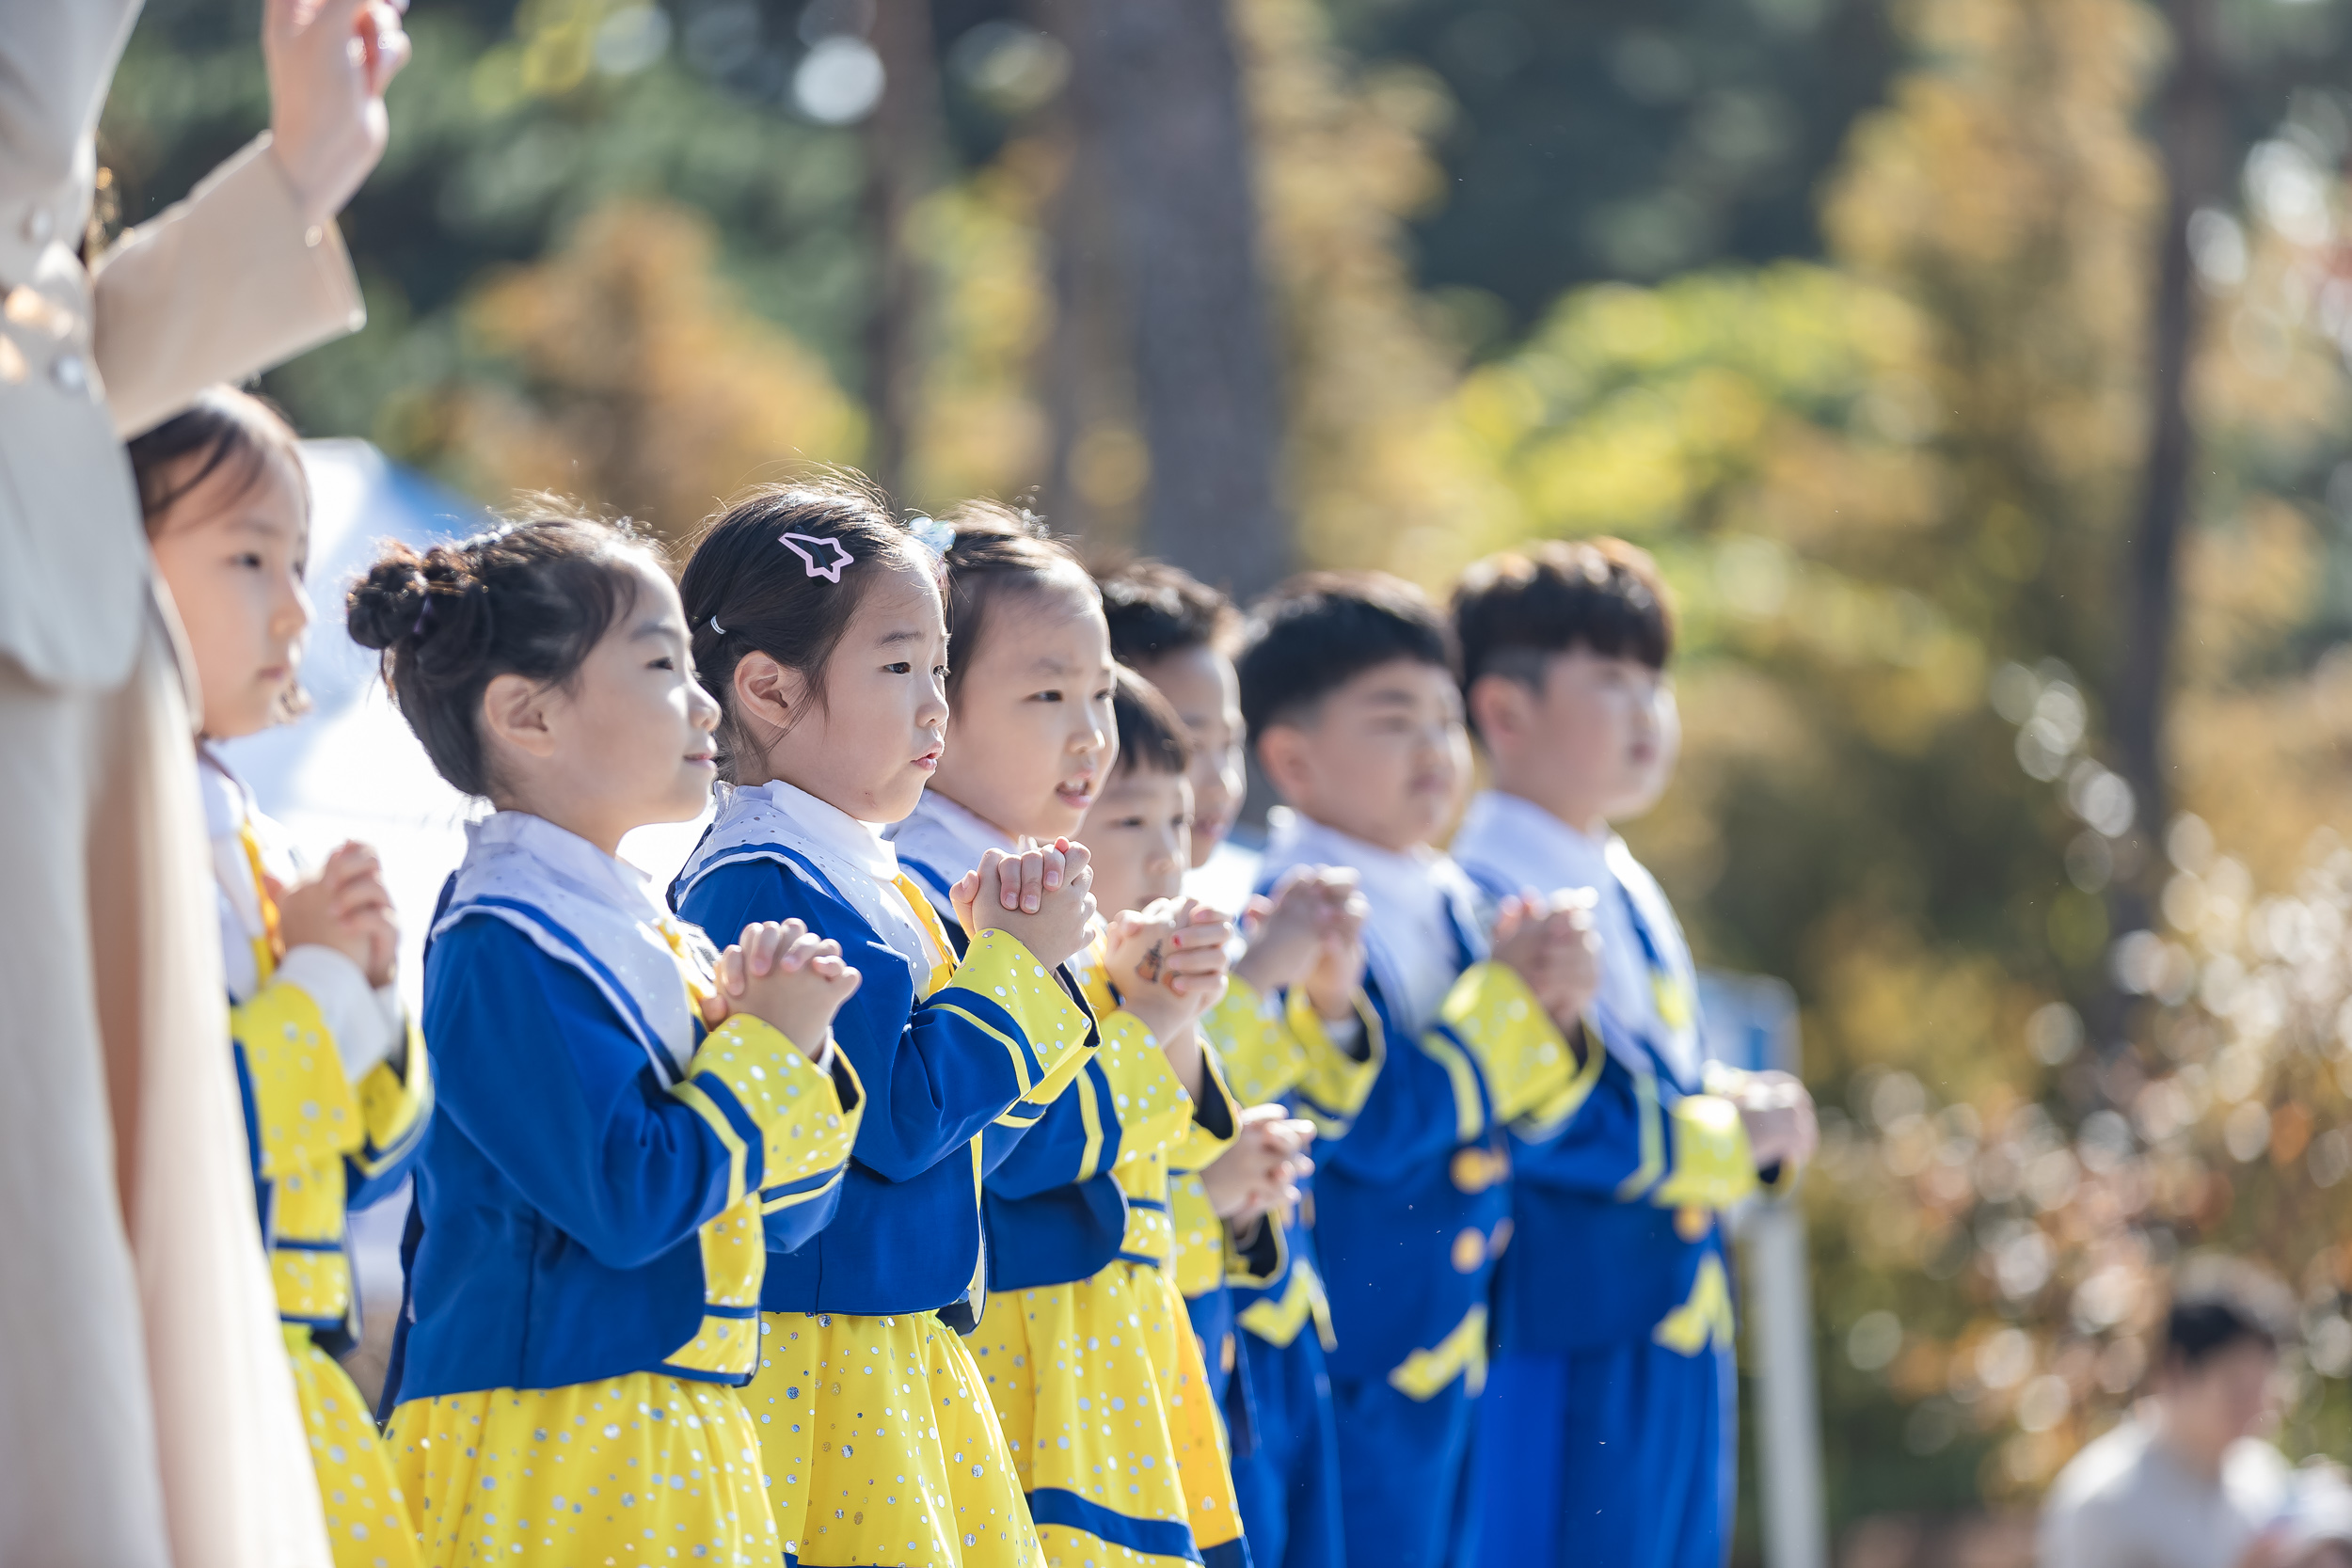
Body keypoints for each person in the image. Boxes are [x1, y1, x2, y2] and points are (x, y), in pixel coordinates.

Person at [0, 2, 405, 1560]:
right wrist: (329, 998)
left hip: (61, 660)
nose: (294, 607)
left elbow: (38, 331)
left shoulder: (240, 812)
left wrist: (294, 177)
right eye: (249, 559)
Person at [352, 514, 868, 1564]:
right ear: (528, 715)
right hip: (555, 1436)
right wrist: (764, 1052)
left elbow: (787, 1217)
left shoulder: (643, 927)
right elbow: (628, 1203)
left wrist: (797, 1044)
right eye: (661, 665)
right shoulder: (501, 938)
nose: (705, 701)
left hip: (673, 1425)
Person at [670, 480, 1101, 1568]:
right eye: (899, 665)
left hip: (891, 1338)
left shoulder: (870, 874)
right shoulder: (764, 874)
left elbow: (965, 1142)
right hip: (821, 1351)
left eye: (942, 668)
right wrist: (1017, 964)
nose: (935, 707)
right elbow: (895, 1127)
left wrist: (1010, 966)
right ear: (766, 687)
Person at [1446, 540, 1817, 1568]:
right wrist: (1727, 1140)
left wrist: (1739, 1104)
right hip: (1559, 1327)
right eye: (1610, 680)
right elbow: (1542, 1114)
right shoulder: (1485, 893)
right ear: (1503, 711)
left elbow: (1645, 1071)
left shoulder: (1615, 870)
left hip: (1669, 1319)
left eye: (1655, 681)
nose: (1648, 709)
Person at [1236, 570, 1603, 1568]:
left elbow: (1538, 1116)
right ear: (1292, 757)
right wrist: (1513, 1008)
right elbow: (1372, 1125)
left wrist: (1561, 1014)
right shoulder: (1282, 911)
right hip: (1347, 1351)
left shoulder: (1455, 894)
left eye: (1446, 719)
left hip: (1457, 1339)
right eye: (1395, 720)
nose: (1436, 749)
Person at [131, 388, 433, 1567]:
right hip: (179, 1375)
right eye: (249, 556)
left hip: (291, 1371)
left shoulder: (252, 836)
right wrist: (316, 978)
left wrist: (366, 982)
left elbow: (367, 1164)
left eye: (299, 560)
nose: (296, 606)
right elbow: (182, 1134)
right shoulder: (97, 822)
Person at [972, 665, 1258, 1568]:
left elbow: (1186, 1142)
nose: (1168, 853)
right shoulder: (1035, 964)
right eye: (1132, 821)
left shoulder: (1120, 967)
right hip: (1051, 1353)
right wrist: (1160, 1012)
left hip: (1135, 1347)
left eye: (1178, 821)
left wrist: (1171, 1004)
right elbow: (1024, 1150)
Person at [2039, 1259, 2300, 1568]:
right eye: (2237, 1388)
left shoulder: (2264, 1479)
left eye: (2264, 1386)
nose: (2257, 1407)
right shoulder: (2105, 1502)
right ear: (2176, 1371)